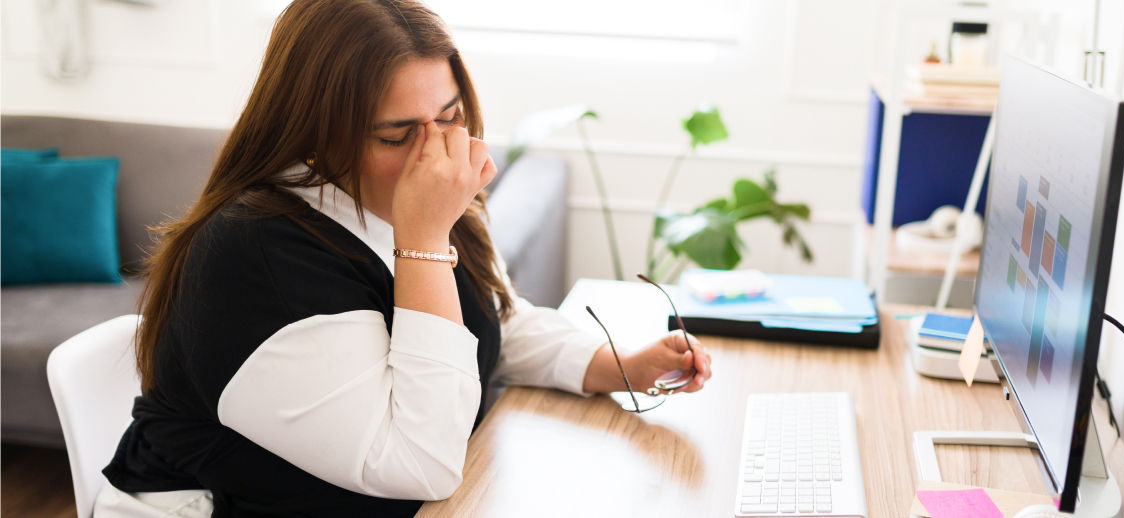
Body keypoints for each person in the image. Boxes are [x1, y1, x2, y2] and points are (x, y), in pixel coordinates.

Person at [94, 1, 713, 516]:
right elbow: (422, 463)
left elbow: (489, 319)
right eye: (396, 135)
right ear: (315, 129)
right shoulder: (255, 257)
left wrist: (614, 365)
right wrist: (423, 238)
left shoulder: (416, 200)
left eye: (449, 118)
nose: (435, 153)